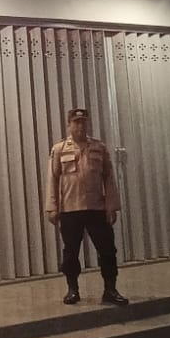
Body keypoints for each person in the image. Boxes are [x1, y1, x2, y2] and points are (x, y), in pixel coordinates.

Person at [45, 108, 129, 306]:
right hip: (70, 209)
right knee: (71, 252)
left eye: (83, 122)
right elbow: (52, 179)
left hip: (96, 208)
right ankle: (72, 290)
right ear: (69, 125)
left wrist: (111, 206)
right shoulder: (59, 149)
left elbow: (109, 178)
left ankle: (110, 289)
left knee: (107, 250)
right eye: (76, 122)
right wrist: (52, 207)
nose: (80, 126)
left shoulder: (99, 148)